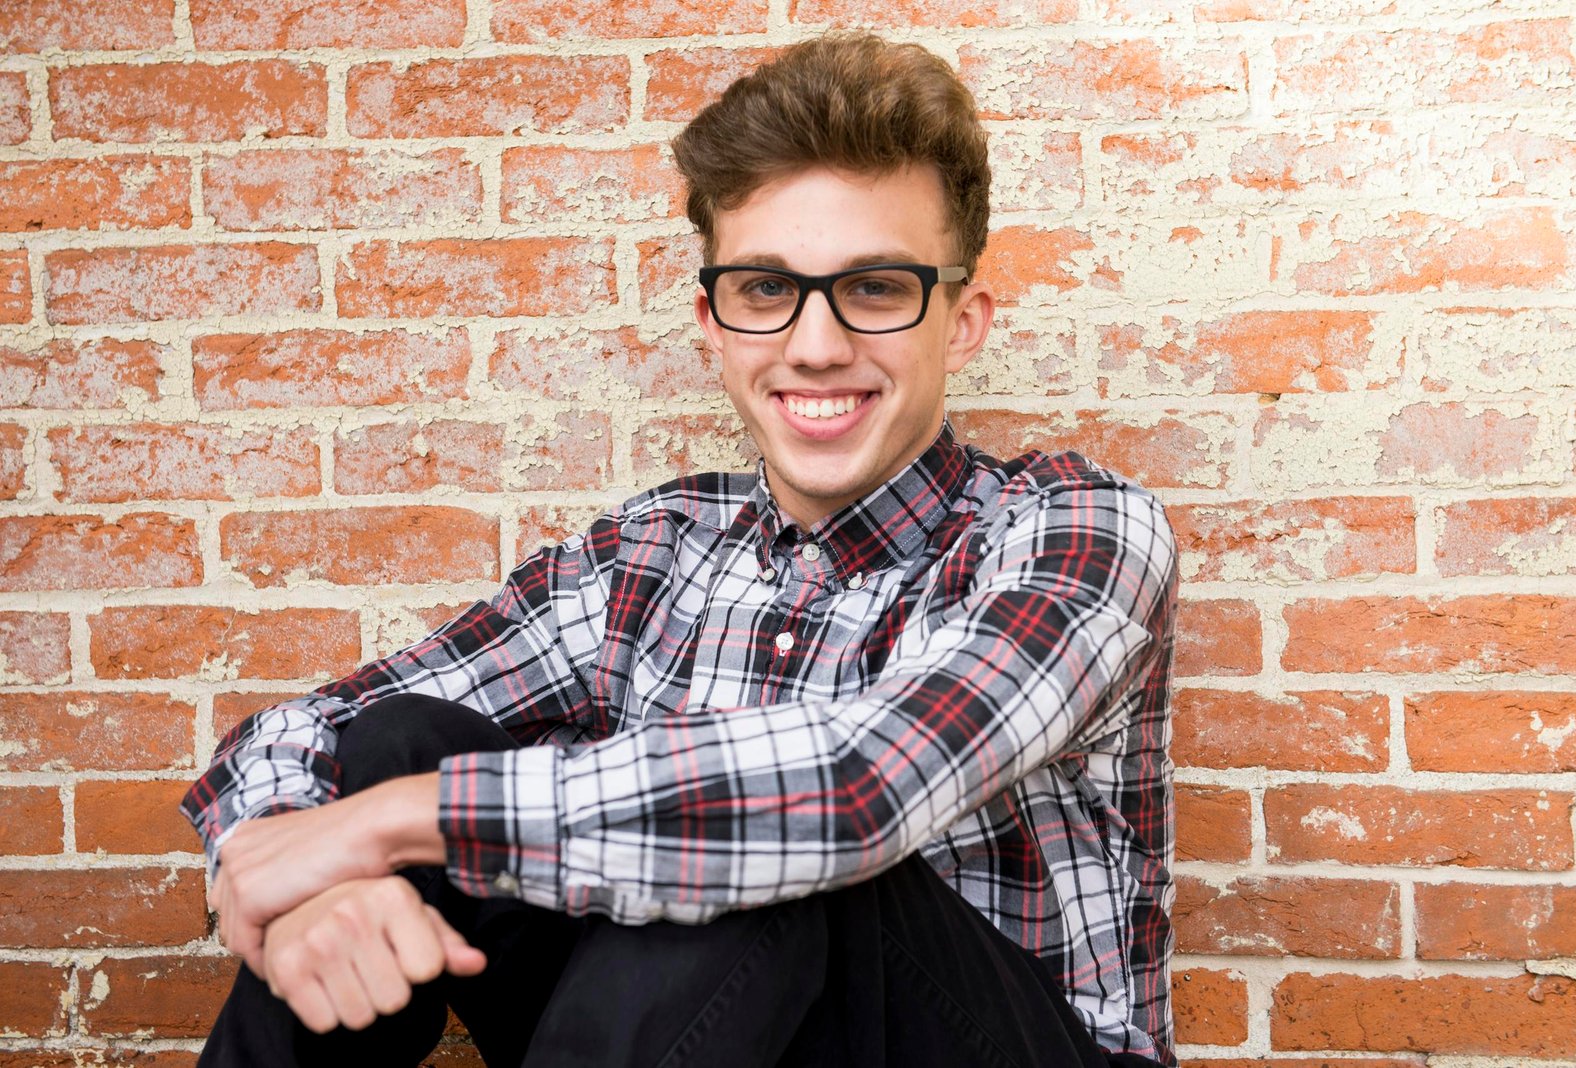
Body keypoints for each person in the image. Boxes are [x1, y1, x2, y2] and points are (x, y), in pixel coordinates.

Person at [182, 32, 1179, 1068]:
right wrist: (295, 869)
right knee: (395, 744)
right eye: (765, 290)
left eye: (876, 288)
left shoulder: (1074, 528)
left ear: (961, 321)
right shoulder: (648, 553)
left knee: (768, 845)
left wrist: (387, 827)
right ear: (713, 321)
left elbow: (854, 787)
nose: (816, 344)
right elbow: (321, 725)